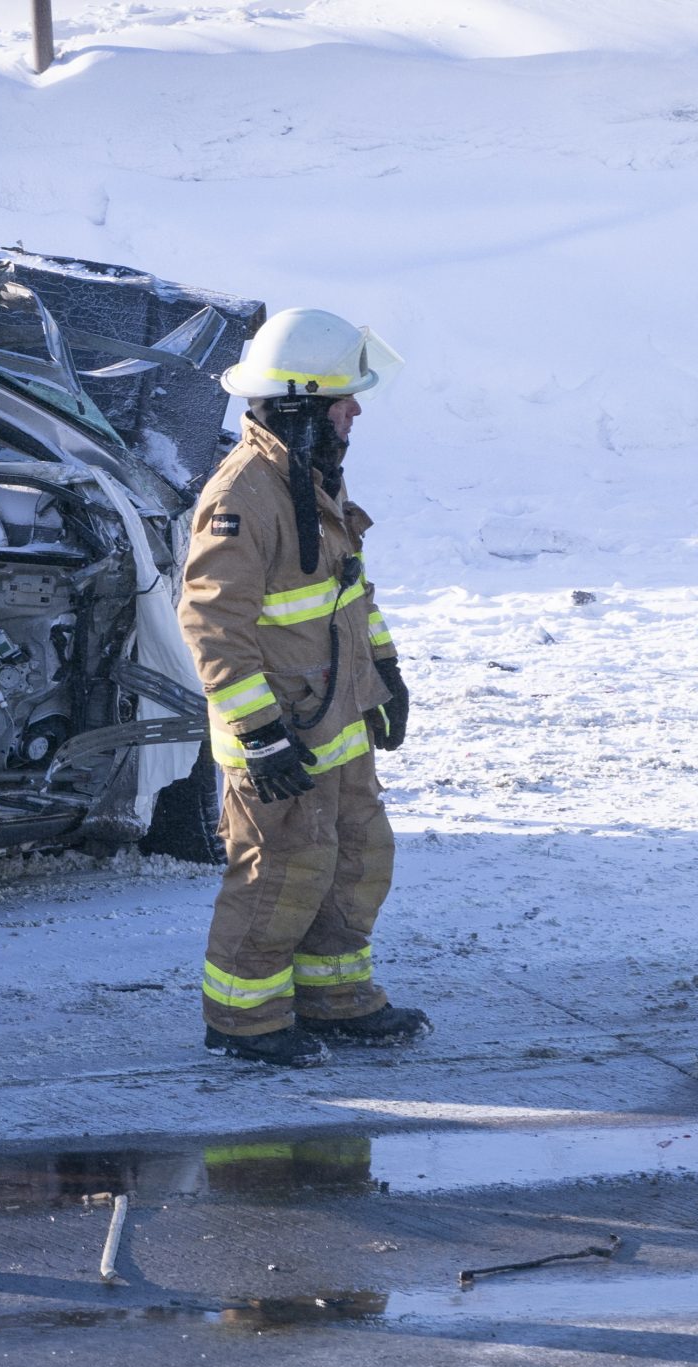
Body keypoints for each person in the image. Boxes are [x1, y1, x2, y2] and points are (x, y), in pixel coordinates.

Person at [181, 307, 431, 1067]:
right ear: (300, 405)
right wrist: (261, 735)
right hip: (280, 735)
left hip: (336, 719)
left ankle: (334, 996)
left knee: (355, 857)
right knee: (280, 872)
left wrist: (385, 672)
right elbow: (211, 624)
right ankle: (243, 1020)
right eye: (342, 398)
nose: (355, 410)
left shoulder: (308, 479)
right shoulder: (244, 496)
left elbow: (349, 594)